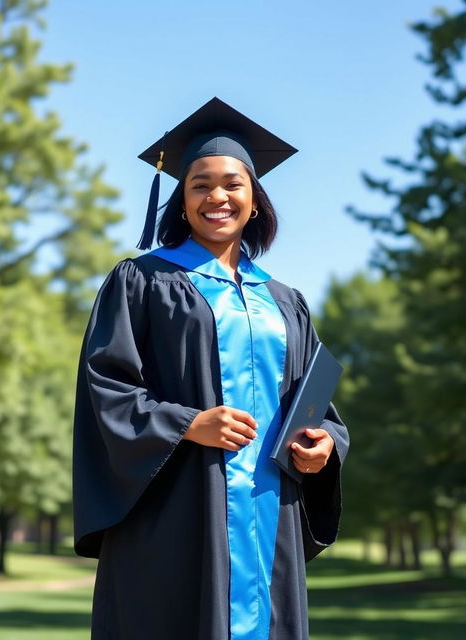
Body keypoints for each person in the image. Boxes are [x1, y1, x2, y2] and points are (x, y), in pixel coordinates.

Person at [72, 97, 350, 640]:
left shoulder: (285, 301)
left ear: (254, 199)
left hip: (270, 514)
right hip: (179, 514)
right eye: (199, 184)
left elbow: (320, 407)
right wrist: (187, 424)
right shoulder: (142, 282)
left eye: (232, 184)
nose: (216, 196)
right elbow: (104, 388)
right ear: (181, 198)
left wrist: (325, 447)